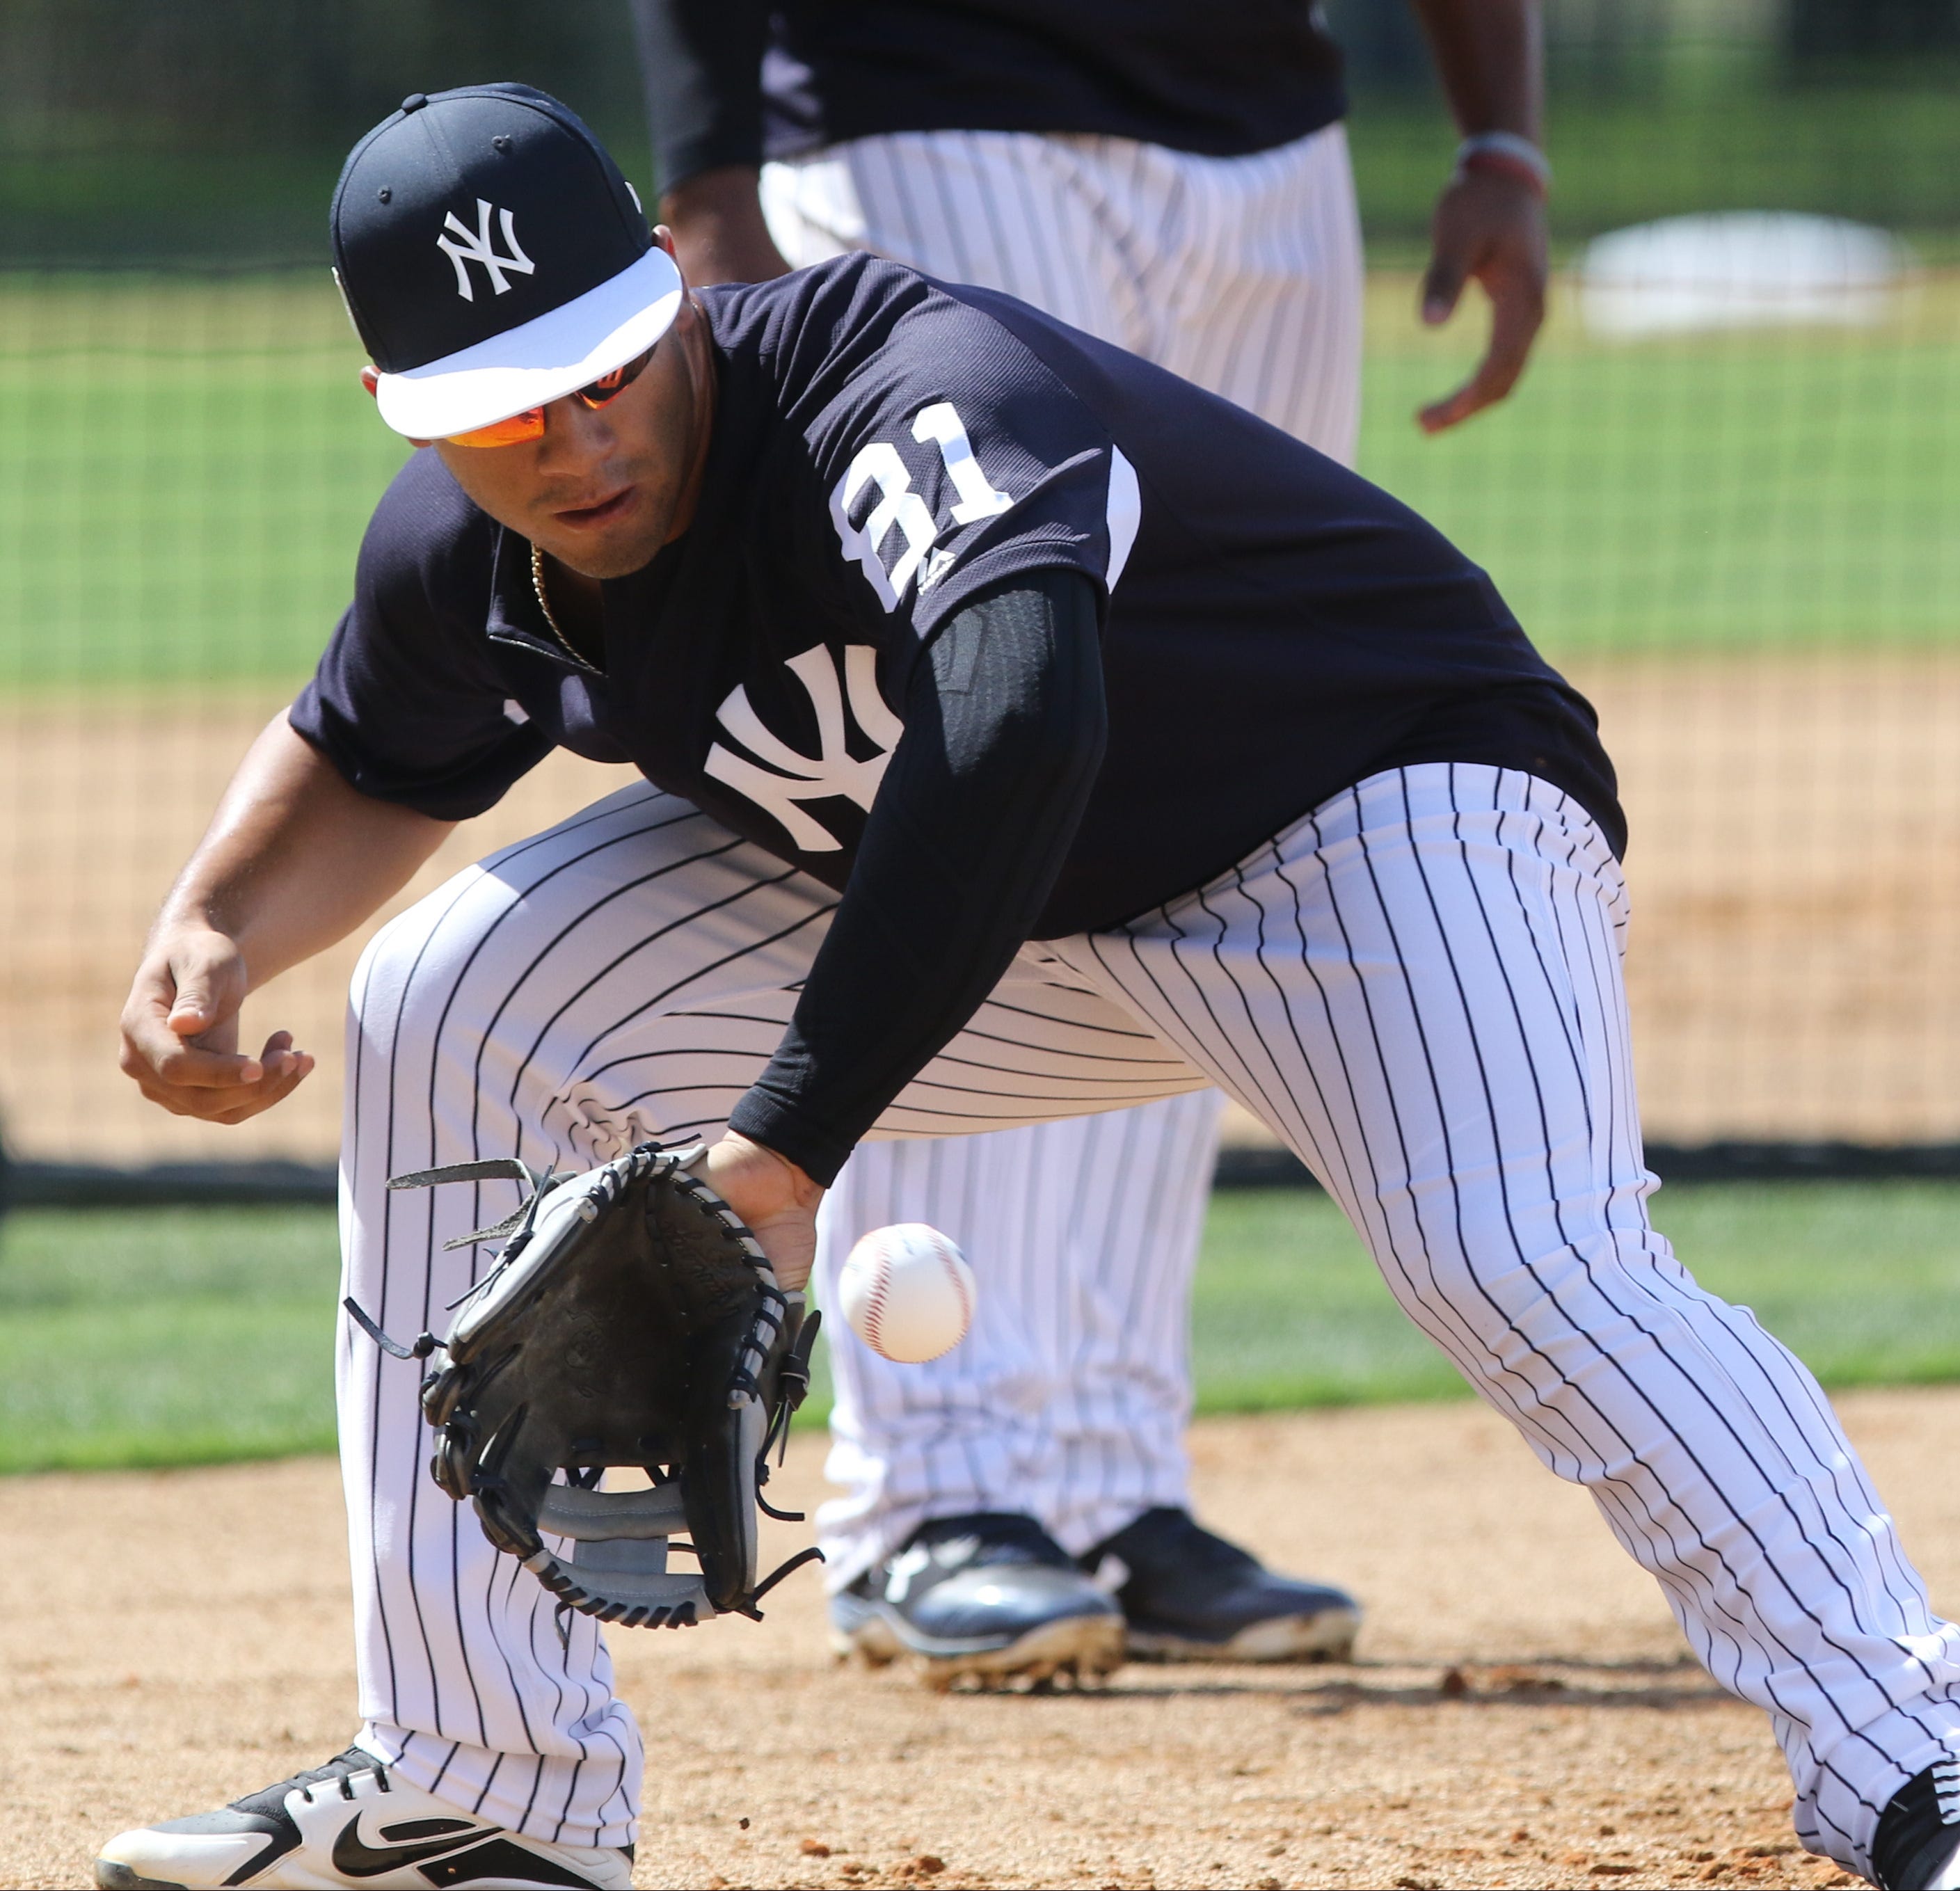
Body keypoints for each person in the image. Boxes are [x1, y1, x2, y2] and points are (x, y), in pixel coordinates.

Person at [101, 84, 1960, 1891]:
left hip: (1374, 819)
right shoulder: (472, 546)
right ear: (401, 413)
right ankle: (481, 1779)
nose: (575, 447)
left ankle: (1915, 1747)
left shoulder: (900, 385)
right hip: (1026, 925)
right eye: (506, 416)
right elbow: (367, 745)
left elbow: (1014, 727)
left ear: (671, 279)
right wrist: (215, 925)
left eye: (602, 371)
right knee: (447, 996)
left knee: (1517, 1249)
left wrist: (781, 1154)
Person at [629, 0, 1554, 1681]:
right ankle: (943, 1492)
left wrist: (1500, 136)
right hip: (932, 94)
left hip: (1267, 125)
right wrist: (707, 179)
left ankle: (1109, 1474)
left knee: (1203, 760)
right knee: (972, 721)